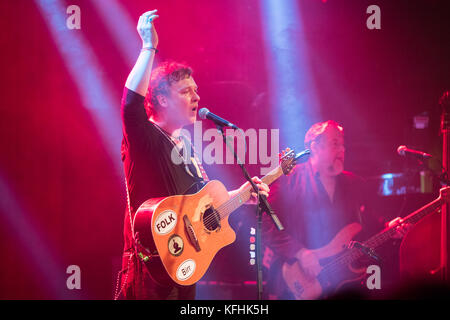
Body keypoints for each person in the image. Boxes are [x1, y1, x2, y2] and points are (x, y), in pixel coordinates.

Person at [116, 10, 269, 300]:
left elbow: (200, 206)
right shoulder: (144, 136)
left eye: (196, 91)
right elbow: (130, 105)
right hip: (150, 269)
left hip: (184, 267)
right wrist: (149, 47)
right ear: (161, 98)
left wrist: (241, 195)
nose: (197, 98)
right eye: (186, 91)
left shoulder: (186, 147)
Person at [262, 120, 409, 299]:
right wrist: (299, 252)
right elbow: (265, 221)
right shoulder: (290, 181)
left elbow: (364, 220)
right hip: (292, 283)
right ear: (315, 147)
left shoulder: (353, 183)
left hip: (339, 283)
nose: (342, 149)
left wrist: (387, 226)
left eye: (342, 144)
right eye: (335, 143)